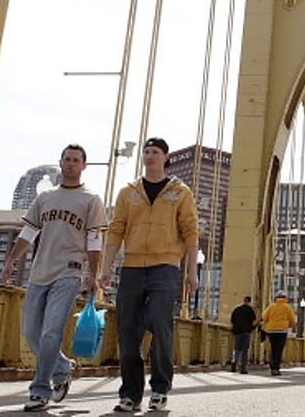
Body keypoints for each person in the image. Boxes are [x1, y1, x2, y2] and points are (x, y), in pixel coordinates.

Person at [0, 144, 107, 412]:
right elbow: (28, 232)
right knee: (31, 333)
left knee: (51, 332)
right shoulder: (45, 197)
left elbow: (94, 240)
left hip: (69, 272)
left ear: (84, 165)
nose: (70, 163)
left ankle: (39, 390)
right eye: (67, 159)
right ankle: (63, 367)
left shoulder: (91, 199)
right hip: (39, 273)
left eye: (76, 160)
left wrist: (92, 275)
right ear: (61, 163)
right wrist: (11, 261)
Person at [100, 137, 199, 412]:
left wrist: (192, 272)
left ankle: (160, 388)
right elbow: (116, 230)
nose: (149, 156)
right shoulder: (128, 192)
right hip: (131, 267)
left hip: (165, 267)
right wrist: (105, 269)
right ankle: (130, 394)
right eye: (146, 152)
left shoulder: (181, 192)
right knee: (127, 331)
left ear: (166, 157)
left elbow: (191, 232)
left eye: (155, 152)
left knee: (159, 322)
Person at [261, 290, 297, 376]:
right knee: (279, 349)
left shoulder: (271, 306)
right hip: (282, 331)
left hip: (271, 330)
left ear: (276, 298)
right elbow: (292, 319)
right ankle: (276, 368)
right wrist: (291, 326)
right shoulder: (287, 307)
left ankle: (272, 367)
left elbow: (264, 317)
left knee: (273, 348)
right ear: (285, 298)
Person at [230, 296, 257, 374]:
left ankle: (234, 361)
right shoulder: (250, 310)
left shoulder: (237, 309)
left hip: (237, 331)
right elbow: (254, 321)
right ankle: (243, 368)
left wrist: (235, 327)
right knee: (245, 350)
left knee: (236, 348)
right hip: (246, 332)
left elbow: (232, 320)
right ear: (249, 301)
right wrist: (252, 328)